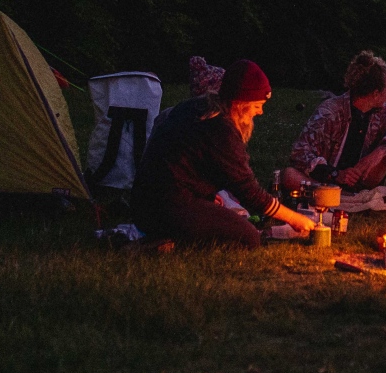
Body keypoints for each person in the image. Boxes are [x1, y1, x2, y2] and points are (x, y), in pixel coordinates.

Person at [132, 59, 314, 248]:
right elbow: (249, 192)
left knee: (227, 218)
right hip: (164, 207)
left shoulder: (197, 107)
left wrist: (205, 195)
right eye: (257, 105)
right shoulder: (221, 129)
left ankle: (169, 235)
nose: (260, 112)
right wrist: (295, 219)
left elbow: (186, 163)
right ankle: (166, 242)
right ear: (240, 102)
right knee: (248, 238)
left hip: (144, 200)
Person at [283, 51, 386, 200]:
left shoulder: (382, 111)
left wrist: (379, 152)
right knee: (289, 175)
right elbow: (299, 153)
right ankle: (340, 197)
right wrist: (336, 174)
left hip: (362, 178)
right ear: (375, 93)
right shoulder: (330, 112)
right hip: (328, 181)